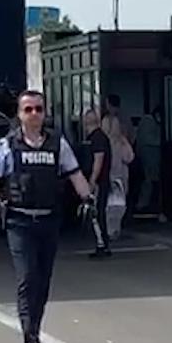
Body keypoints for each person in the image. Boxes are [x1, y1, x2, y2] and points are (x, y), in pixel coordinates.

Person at [0, 90, 93, 343]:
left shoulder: (57, 144)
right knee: (27, 278)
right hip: (20, 222)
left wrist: (88, 198)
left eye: (38, 109)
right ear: (19, 114)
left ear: (44, 112)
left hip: (49, 221)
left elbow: (75, 174)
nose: (34, 114)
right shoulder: (6, 146)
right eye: (28, 109)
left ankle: (35, 331)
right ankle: (29, 337)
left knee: (43, 281)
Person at [80, 109, 112, 258]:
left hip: (99, 182)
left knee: (97, 213)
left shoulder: (97, 138)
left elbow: (98, 160)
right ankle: (102, 244)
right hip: (100, 180)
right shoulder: (97, 137)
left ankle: (102, 244)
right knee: (97, 213)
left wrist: (92, 181)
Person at [99, 114, 134, 244]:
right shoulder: (120, 142)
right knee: (118, 205)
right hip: (120, 178)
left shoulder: (102, 142)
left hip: (106, 178)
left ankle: (108, 230)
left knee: (107, 206)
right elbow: (129, 157)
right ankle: (113, 230)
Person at [134, 106, 162, 213]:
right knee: (148, 181)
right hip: (149, 159)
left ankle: (143, 204)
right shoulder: (148, 122)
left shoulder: (145, 122)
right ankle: (142, 204)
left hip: (146, 158)